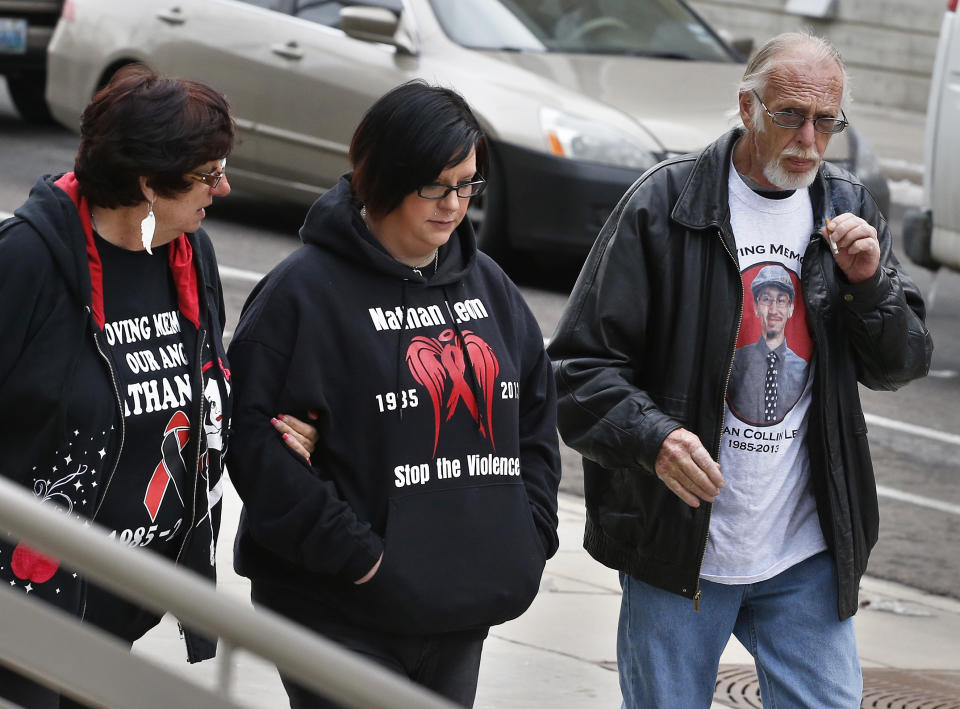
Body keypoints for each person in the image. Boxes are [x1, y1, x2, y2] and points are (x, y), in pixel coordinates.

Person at [548, 32, 933, 708]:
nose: (809, 138)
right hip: (681, 546)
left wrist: (869, 284)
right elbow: (578, 371)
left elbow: (900, 364)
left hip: (804, 549)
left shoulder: (846, 206)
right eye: (790, 114)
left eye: (826, 121)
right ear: (747, 107)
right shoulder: (662, 207)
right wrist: (654, 437)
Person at [226, 80, 561, 708]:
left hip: (461, 602)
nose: (454, 204)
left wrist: (530, 530)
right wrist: (360, 557)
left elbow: (535, 416)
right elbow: (254, 445)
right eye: (434, 185)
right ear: (381, 176)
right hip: (337, 608)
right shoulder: (301, 295)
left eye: (467, 185)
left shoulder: (490, 289)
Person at [0, 64, 316, 708]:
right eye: (206, 175)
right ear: (147, 182)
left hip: (119, 603)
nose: (222, 189)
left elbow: (206, 390)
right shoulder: (25, 260)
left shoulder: (185, 251)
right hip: (22, 611)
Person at [727, 264, 808, 424]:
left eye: (781, 300)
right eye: (766, 299)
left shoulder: (802, 368)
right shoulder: (734, 362)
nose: (773, 309)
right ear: (756, 307)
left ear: (791, 308)